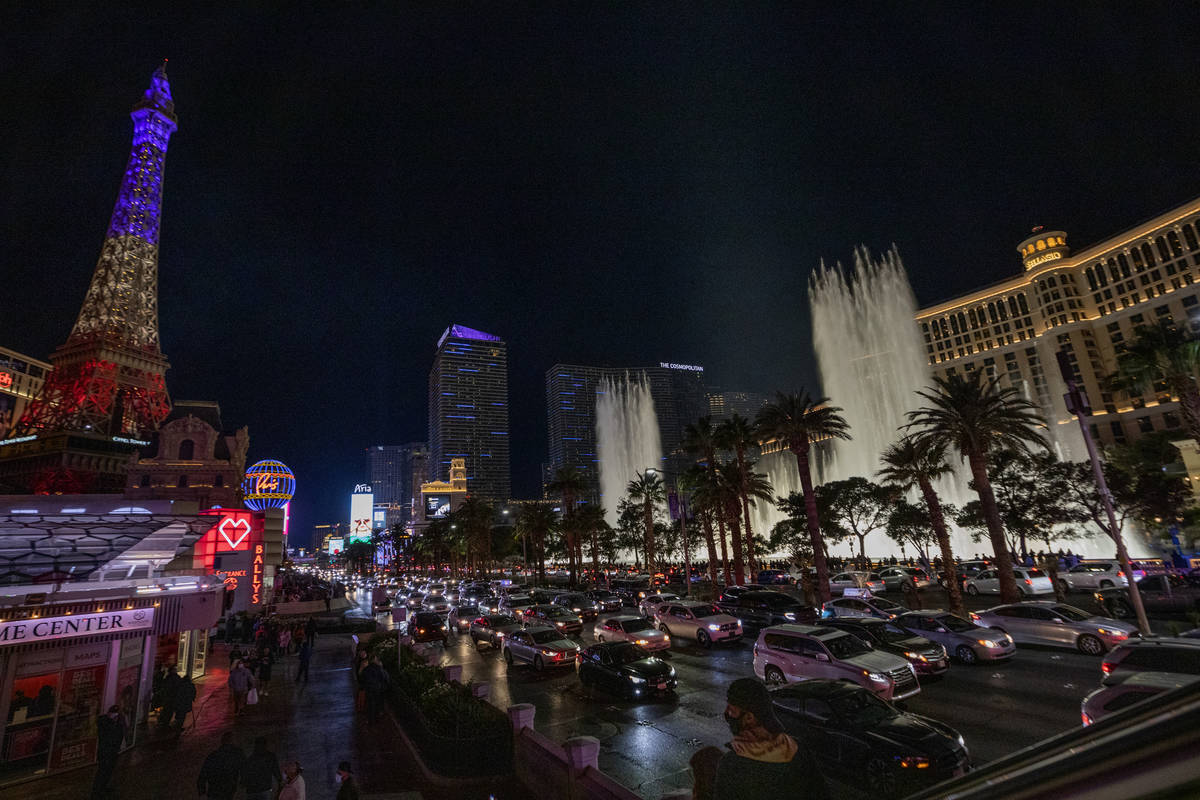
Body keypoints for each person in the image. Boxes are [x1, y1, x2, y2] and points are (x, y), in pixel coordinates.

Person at [713, 678, 828, 800]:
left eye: (731, 710)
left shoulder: (732, 765)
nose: (727, 713)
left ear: (749, 718)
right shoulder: (798, 748)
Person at [91, 704, 126, 799]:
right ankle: (97, 791)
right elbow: (108, 737)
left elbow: (120, 735)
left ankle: (102, 787)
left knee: (108, 771)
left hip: (113, 752)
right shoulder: (106, 723)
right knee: (102, 772)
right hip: (106, 752)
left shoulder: (117, 723)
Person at [197, 731, 244, 800]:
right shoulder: (237, 753)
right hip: (229, 791)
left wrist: (202, 792)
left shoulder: (212, 756)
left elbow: (203, 775)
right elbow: (245, 768)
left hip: (214, 792)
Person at [242, 736, 282, 800]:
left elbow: (246, 773)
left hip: (251, 789)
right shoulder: (270, 756)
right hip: (265, 788)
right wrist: (280, 782)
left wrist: (243, 783)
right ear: (265, 745)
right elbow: (276, 771)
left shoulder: (251, 758)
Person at [359, 655, 390, 722]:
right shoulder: (379, 669)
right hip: (378, 689)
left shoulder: (366, 669)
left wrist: (363, 687)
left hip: (369, 689)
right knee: (378, 703)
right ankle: (378, 716)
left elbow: (362, 679)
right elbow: (385, 678)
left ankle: (371, 719)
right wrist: (384, 686)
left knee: (371, 703)